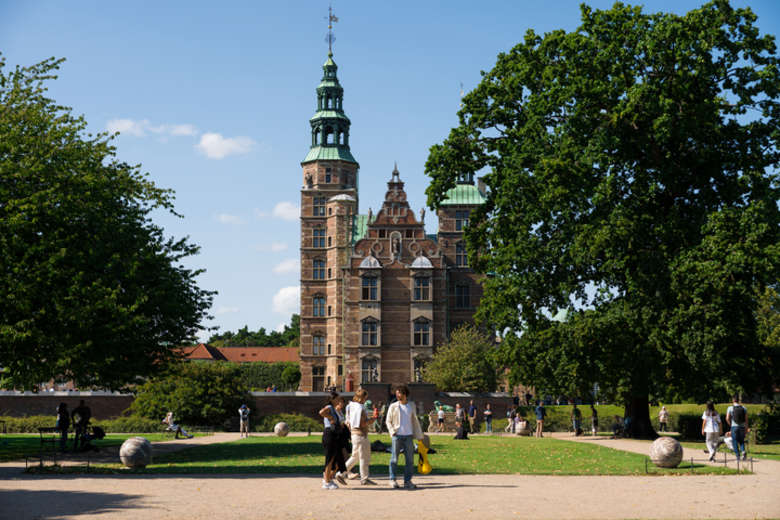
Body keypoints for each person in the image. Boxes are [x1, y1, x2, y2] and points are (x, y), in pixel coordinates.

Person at [385, 384, 424, 489]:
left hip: (408, 436)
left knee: (410, 460)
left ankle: (407, 481)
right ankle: (392, 479)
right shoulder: (393, 406)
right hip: (397, 436)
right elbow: (388, 421)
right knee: (394, 459)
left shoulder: (411, 405)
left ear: (405, 394)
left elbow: (415, 421)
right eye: (396, 393)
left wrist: (419, 435)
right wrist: (392, 432)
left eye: (399, 393)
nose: (397, 396)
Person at [318, 391, 349, 490]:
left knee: (335, 459)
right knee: (330, 459)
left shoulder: (334, 409)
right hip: (329, 434)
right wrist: (330, 417)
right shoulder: (330, 407)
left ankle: (328, 478)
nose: (339, 400)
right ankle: (326, 482)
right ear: (332, 399)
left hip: (335, 435)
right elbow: (321, 412)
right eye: (337, 398)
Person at [344, 388, 376, 485]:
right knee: (364, 458)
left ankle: (340, 473)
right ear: (362, 398)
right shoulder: (360, 408)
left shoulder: (350, 406)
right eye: (365, 398)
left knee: (355, 457)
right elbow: (362, 423)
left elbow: (349, 421)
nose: (365, 400)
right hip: (361, 435)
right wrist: (372, 420)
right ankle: (364, 478)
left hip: (354, 434)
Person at [726, 395, 749, 461]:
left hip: (734, 427)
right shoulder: (744, 408)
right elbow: (746, 419)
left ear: (733, 400)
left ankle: (737, 456)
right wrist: (746, 428)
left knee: (735, 441)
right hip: (742, 427)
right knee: (741, 441)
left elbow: (727, 418)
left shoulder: (730, 408)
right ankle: (743, 451)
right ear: (738, 400)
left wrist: (731, 425)